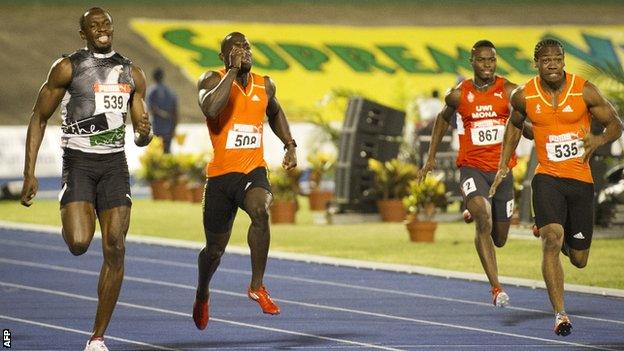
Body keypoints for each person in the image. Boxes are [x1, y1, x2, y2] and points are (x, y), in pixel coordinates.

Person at [19, 8, 152, 351]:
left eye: (105, 23)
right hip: (78, 163)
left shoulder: (132, 73)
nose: (101, 29)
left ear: (112, 27)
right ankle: (78, 207)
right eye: (94, 26)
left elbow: (141, 133)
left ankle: (97, 337)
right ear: (84, 33)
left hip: (114, 167)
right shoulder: (68, 67)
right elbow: (38, 117)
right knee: (79, 243)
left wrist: (144, 133)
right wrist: (29, 172)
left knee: (115, 247)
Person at [489, 38, 622, 336]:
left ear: (563, 60)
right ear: (536, 63)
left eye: (557, 59)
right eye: (546, 60)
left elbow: (615, 124)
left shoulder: (583, 89)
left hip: (580, 181)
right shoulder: (524, 95)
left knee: (579, 260)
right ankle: (561, 314)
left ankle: (555, 230)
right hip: (547, 176)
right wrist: (503, 164)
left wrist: (599, 140)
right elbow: (514, 125)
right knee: (551, 238)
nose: (552, 65)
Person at [192, 32, 297, 330]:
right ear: (223, 56)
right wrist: (233, 72)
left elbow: (275, 111)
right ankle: (202, 292)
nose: (244, 51)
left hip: (253, 171)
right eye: (236, 48)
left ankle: (257, 285)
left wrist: (290, 145)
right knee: (214, 251)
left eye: (248, 47)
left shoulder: (266, 84)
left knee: (261, 210)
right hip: (221, 178)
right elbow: (211, 108)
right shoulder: (212, 79)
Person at [419, 40, 532, 307]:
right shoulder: (459, 94)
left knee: (500, 238)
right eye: (482, 60)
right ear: (472, 61)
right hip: (472, 167)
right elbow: (442, 119)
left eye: (492, 60)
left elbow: (523, 121)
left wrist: (534, 132)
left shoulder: (508, 90)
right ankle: (496, 288)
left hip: (502, 171)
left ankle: (475, 208)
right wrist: (431, 156)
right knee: (483, 215)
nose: (487, 65)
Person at [147, 67, 178, 153]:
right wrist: (174, 127)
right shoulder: (171, 92)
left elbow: (151, 109)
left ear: (153, 77)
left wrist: (161, 114)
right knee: (167, 153)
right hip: (169, 128)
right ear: (162, 77)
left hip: (156, 128)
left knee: (156, 155)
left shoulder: (152, 91)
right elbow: (175, 112)